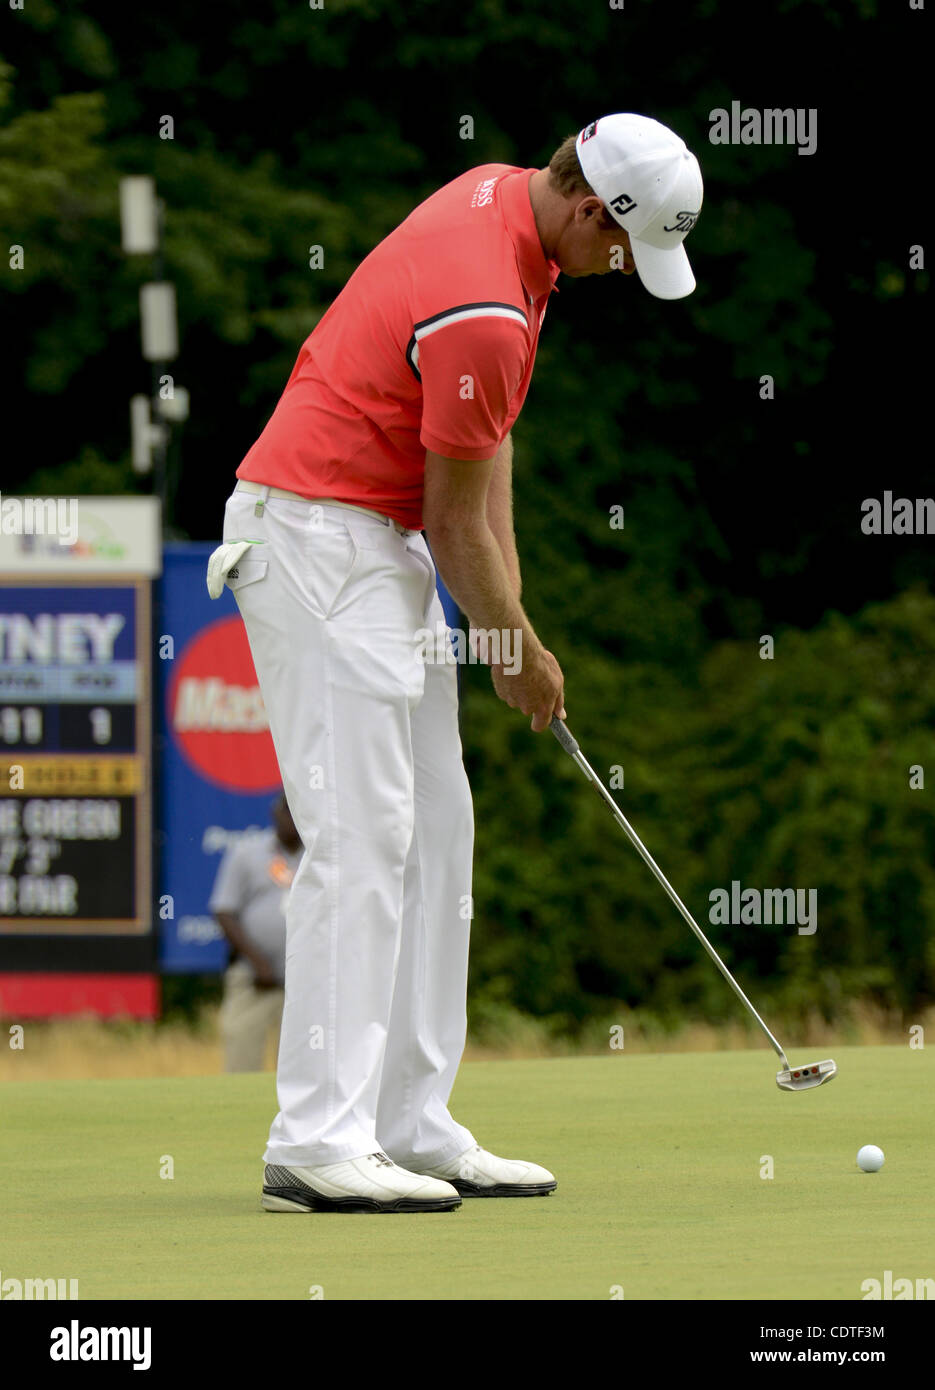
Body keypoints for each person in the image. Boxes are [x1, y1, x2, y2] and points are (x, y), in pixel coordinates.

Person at [207, 113, 703, 1213]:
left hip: (374, 541)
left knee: (438, 824)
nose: (621, 270)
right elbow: (453, 516)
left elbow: (484, 458)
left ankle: (407, 1122)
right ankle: (315, 1138)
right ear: (590, 210)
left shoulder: (504, 202)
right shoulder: (487, 301)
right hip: (315, 537)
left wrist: (504, 627)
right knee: (361, 833)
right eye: (622, 248)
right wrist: (516, 651)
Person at [209, 793, 302, 1073]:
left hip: (307, 979)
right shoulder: (248, 852)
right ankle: (236, 1114)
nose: (291, 818)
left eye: (297, 810)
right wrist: (259, 962)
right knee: (241, 1060)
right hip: (254, 978)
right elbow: (224, 911)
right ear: (275, 813)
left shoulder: (322, 855)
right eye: (286, 810)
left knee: (301, 1069)